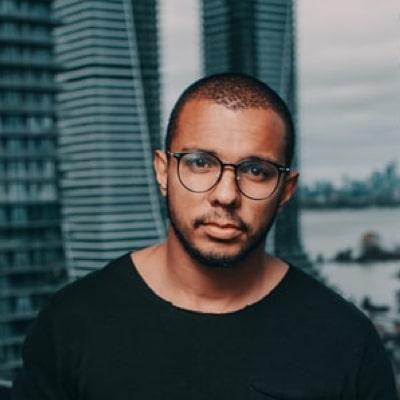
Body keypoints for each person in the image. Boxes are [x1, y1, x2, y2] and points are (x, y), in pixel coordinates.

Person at [12, 73, 397, 399]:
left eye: (256, 171)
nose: (226, 195)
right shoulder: (72, 322)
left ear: (285, 191)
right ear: (163, 172)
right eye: (200, 163)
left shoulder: (347, 342)